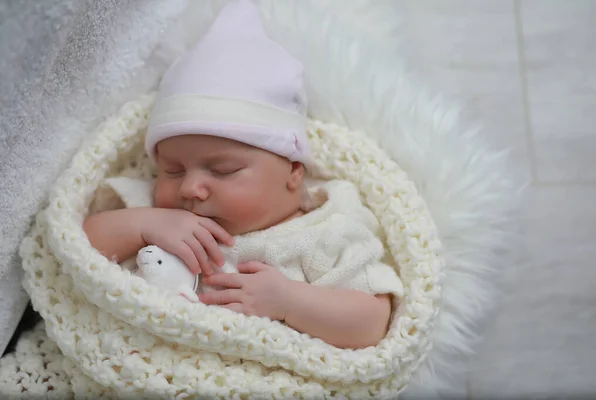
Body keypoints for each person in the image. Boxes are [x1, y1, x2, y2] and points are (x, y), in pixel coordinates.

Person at [83, 0, 403, 349]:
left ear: (294, 172)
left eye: (223, 170)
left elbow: (372, 323)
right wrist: (143, 225)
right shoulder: (152, 211)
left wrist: (290, 302)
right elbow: (81, 245)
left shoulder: (325, 232)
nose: (190, 187)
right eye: (172, 170)